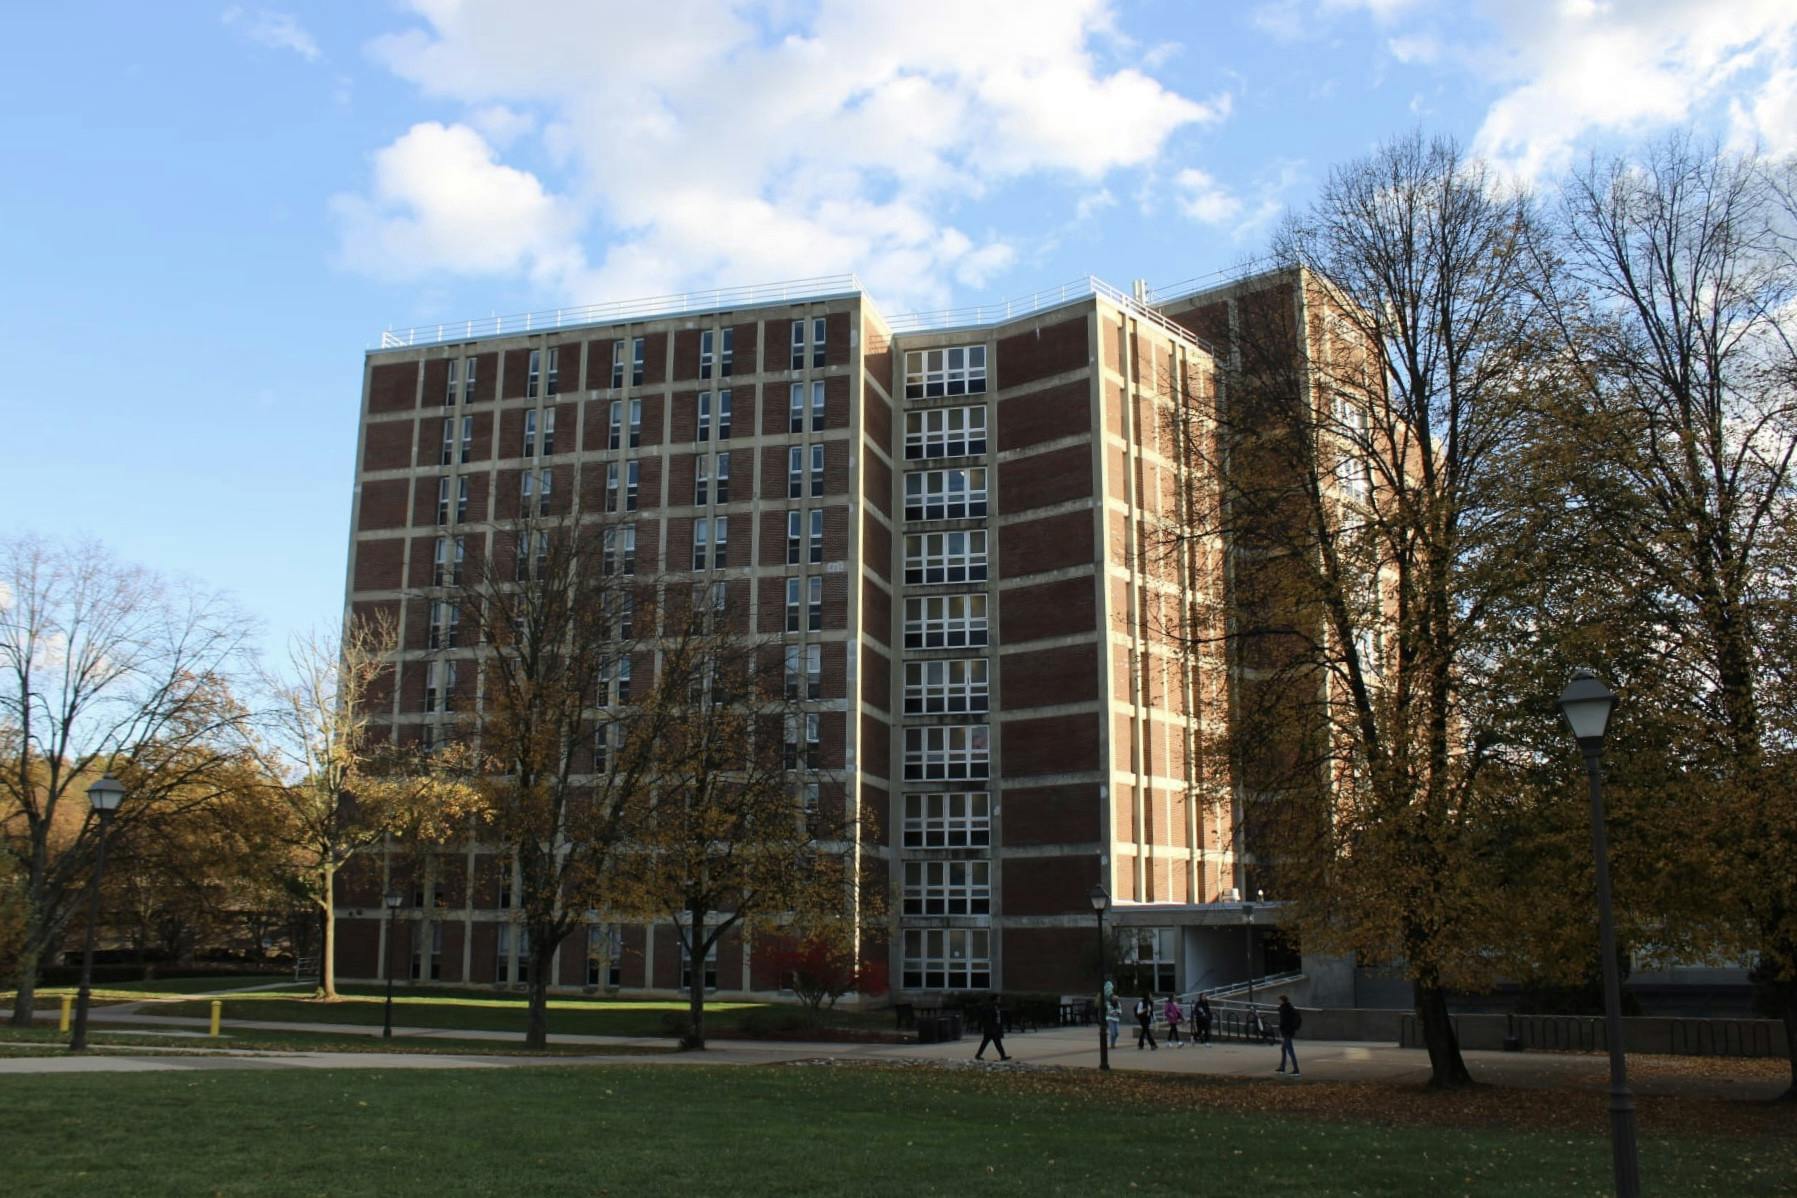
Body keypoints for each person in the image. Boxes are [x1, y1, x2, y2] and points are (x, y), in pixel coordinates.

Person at [974, 996, 1010, 1061]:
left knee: (989, 1043)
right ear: (994, 1000)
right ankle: (1003, 1056)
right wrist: (993, 1027)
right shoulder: (990, 1007)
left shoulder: (995, 1007)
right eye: (998, 999)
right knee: (996, 1043)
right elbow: (989, 1019)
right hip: (991, 1029)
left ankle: (978, 1055)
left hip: (992, 1028)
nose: (999, 1000)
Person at [1276, 995, 1301, 1076]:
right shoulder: (1289, 1008)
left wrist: (1281, 1030)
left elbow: (1283, 1021)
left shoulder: (1284, 1009)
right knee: (1283, 1049)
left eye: (1279, 1001)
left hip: (1286, 1032)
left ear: (1282, 1001)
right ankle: (1282, 1067)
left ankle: (1296, 1070)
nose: (1278, 1002)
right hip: (1289, 1031)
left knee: (1290, 1051)